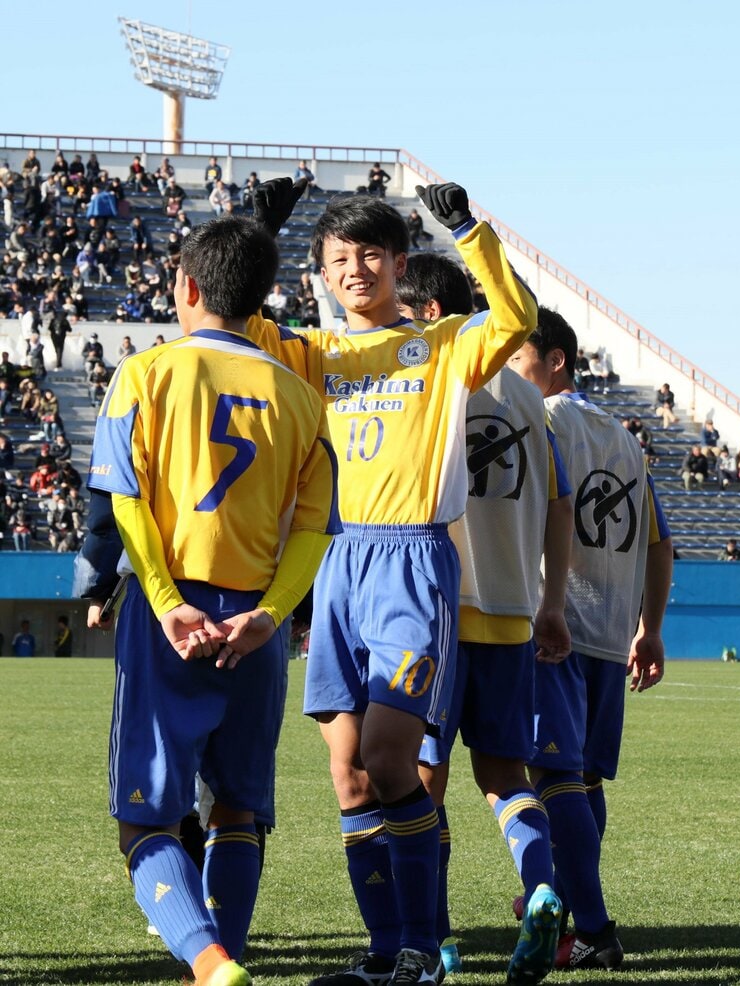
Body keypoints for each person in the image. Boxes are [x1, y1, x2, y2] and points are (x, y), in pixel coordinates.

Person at [252, 180, 537, 986]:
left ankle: (422, 948)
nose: (355, 270)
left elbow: (515, 321)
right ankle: (386, 955)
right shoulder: (312, 351)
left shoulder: (444, 345)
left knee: (389, 760)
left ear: (399, 262)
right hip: (337, 564)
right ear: (320, 271)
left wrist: (468, 230)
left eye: (371, 255)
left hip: (412, 564)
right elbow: (233, 324)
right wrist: (258, 228)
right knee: (346, 773)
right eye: (339, 258)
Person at [83, 212, 340, 986]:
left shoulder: (144, 373)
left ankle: (208, 961)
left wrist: (161, 599)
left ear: (186, 286)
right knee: (238, 808)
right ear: (260, 299)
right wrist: (271, 614)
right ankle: (225, 948)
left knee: (145, 815)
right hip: (255, 623)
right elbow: (313, 528)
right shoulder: (300, 397)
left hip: (176, 619)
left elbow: (123, 502)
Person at [397, 252, 573, 983]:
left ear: (430, 314)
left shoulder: (434, 371)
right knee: (504, 773)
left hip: (440, 605)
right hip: (511, 609)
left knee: (421, 778)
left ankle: (435, 936)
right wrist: (551, 602)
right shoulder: (532, 397)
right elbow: (559, 505)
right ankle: (540, 888)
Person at [508, 307, 672, 972]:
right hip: (608, 633)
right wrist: (649, 628)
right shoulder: (626, 439)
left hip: (557, 627)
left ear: (555, 361)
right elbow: (662, 542)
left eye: (518, 359)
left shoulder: (540, 420)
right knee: (582, 780)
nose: (508, 374)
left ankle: (592, 926)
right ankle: (570, 905)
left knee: (550, 775)